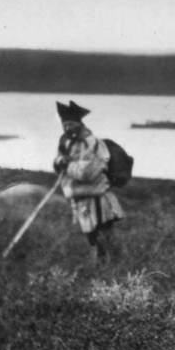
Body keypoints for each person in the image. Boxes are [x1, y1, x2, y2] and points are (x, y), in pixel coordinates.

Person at [53, 100, 124, 262]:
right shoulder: (68, 142)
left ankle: (116, 268)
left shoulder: (92, 143)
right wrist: (59, 163)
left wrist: (66, 164)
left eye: (71, 124)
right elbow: (59, 161)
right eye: (65, 125)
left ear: (79, 123)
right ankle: (102, 268)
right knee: (91, 236)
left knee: (104, 235)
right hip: (80, 200)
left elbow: (87, 173)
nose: (68, 128)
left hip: (97, 199)